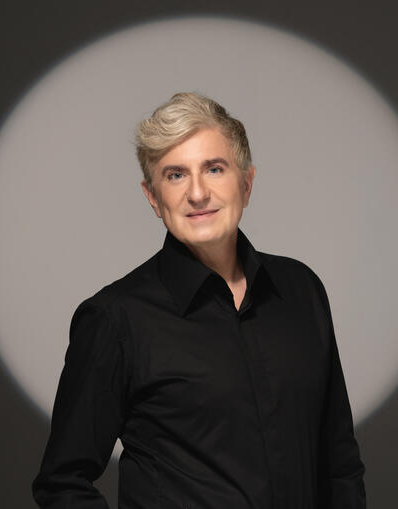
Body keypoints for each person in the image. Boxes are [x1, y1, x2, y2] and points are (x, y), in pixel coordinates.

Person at [32, 92, 366, 508]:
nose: (197, 193)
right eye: (175, 175)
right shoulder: (115, 318)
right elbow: (62, 483)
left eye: (214, 168)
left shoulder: (302, 290)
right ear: (153, 198)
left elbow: (339, 464)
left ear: (246, 183)